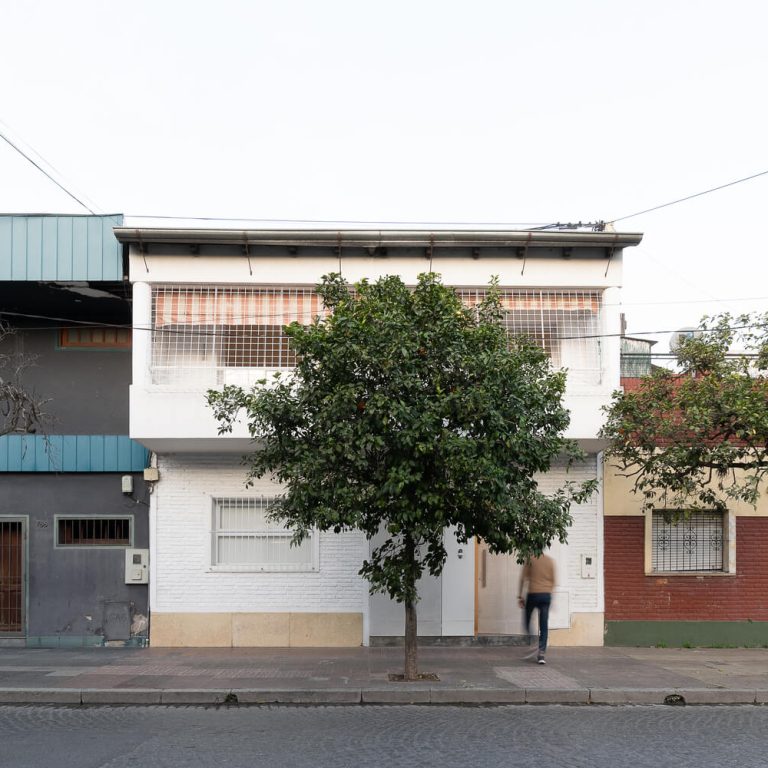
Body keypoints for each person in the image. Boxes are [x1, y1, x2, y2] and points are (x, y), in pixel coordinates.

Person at [517, 552, 555, 665]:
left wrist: (520, 596)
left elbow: (522, 579)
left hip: (533, 594)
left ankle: (533, 641)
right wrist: (548, 591)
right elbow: (553, 581)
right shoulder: (549, 560)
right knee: (544, 624)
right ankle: (541, 654)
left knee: (527, 619)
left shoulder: (530, 559)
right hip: (546, 595)